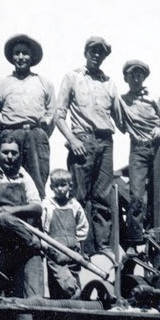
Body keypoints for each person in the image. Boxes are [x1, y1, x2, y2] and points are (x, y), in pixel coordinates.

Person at [54, 37, 124, 254]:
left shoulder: (109, 83)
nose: (96, 55)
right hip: (82, 140)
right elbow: (58, 115)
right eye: (93, 50)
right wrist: (73, 140)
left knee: (103, 197)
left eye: (101, 52)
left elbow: (122, 118)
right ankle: (81, 247)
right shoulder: (72, 77)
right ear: (85, 52)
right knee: (79, 196)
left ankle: (103, 248)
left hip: (105, 142)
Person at [0, 133, 46, 297]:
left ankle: (36, 305)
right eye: (5, 152)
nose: (10, 157)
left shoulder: (24, 175)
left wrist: (13, 210)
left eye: (14, 153)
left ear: (19, 154)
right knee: (4, 219)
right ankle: (36, 243)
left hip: (18, 236)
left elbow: (37, 207)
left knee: (34, 255)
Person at [0, 34, 55, 194]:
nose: (21, 57)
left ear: (31, 57)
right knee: (10, 181)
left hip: (35, 136)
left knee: (37, 182)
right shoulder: (2, 84)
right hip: (10, 135)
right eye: (17, 53)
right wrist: (2, 142)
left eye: (25, 53)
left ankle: (36, 215)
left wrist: (41, 135)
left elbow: (52, 113)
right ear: (12, 57)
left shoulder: (43, 83)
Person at [119, 60, 160, 238]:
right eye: (132, 75)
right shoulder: (121, 101)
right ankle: (135, 237)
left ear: (144, 77)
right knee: (136, 195)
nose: (136, 78)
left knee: (159, 192)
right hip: (138, 150)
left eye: (139, 75)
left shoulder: (154, 98)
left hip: (157, 149)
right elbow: (118, 122)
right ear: (126, 78)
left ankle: (157, 231)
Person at [42, 169, 90, 299]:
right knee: (62, 281)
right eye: (56, 186)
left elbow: (82, 226)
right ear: (52, 187)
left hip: (73, 251)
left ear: (70, 186)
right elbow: (44, 226)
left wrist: (78, 243)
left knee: (74, 276)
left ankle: (76, 306)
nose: (60, 189)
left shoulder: (75, 205)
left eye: (63, 185)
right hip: (56, 252)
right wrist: (46, 244)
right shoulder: (47, 205)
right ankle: (66, 298)